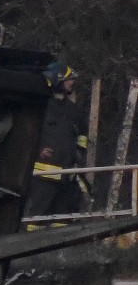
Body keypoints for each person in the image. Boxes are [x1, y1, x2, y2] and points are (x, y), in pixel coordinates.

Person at [25, 62, 87, 223]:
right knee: (36, 219)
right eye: (68, 79)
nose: (71, 83)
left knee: (63, 220)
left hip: (68, 176)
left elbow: (82, 136)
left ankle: (60, 249)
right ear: (57, 80)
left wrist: (79, 155)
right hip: (44, 175)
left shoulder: (74, 110)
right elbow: (28, 135)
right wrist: (38, 150)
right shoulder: (42, 107)